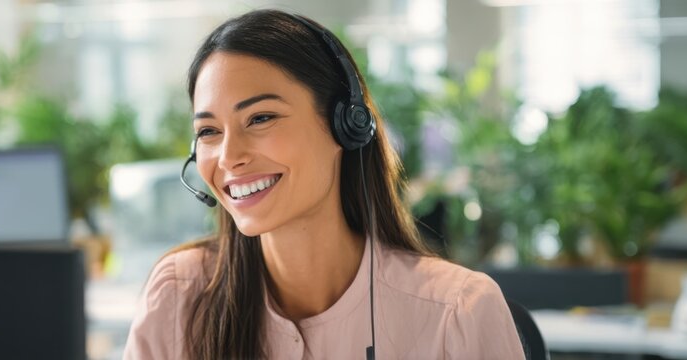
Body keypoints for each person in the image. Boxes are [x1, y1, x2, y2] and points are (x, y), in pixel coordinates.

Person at [124, 9, 525, 359]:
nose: (229, 157)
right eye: (209, 130)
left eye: (261, 118)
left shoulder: (457, 312)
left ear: (344, 125)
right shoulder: (178, 295)